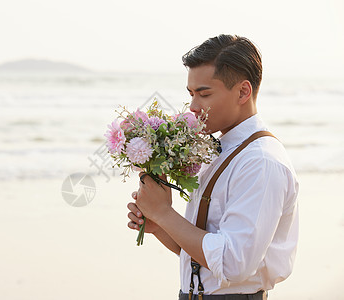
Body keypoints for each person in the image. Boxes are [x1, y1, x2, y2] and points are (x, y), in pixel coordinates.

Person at [127, 34, 299, 299]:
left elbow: (233, 265)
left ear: (243, 91)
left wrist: (163, 213)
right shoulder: (219, 150)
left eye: (204, 94)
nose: (193, 107)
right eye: (191, 94)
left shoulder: (260, 162)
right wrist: (160, 225)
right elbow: (206, 253)